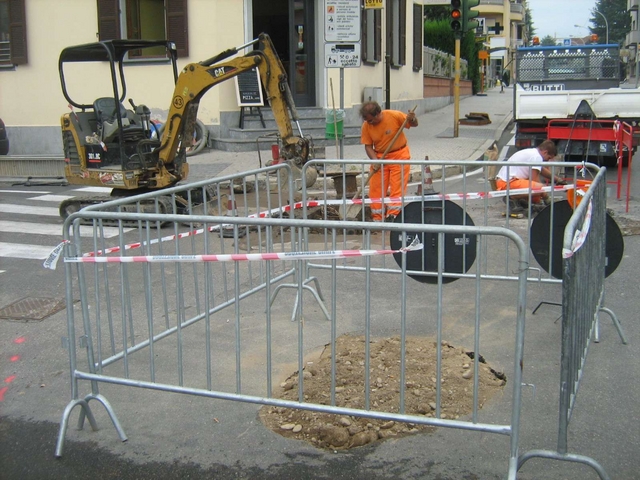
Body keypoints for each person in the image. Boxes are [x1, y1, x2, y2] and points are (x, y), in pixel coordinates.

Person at [360, 101, 418, 222]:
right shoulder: (366, 126)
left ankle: (393, 217)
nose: (369, 123)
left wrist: (412, 119)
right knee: (376, 189)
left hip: (399, 155)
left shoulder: (394, 116)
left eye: (370, 120)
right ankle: (377, 218)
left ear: (377, 114)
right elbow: (368, 146)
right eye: (366, 120)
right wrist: (375, 161)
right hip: (380, 158)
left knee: (397, 188)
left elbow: (414, 124)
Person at [495, 139, 566, 213]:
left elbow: (541, 170)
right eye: (549, 158)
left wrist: (557, 179)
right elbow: (534, 181)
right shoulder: (537, 157)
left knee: (537, 190)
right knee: (540, 188)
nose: (548, 161)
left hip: (505, 182)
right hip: (506, 183)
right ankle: (511, 198)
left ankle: (520, 201)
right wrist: (546, 198)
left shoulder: (533, 153)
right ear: (545, 152)